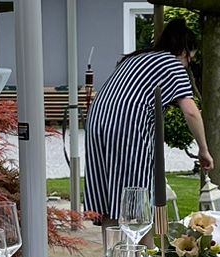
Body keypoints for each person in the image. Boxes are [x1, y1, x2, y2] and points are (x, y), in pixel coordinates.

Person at [83, 18, 212, 219]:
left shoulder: (136, 58)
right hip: (127, 125)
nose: (188, 65)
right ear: (184, 51)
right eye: (190, 59)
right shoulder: (173, 65)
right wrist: (204, 150)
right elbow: (191, 112)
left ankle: (112, 240)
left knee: (107, 197)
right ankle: (142, 239)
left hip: (96, 120)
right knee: (137, 196)